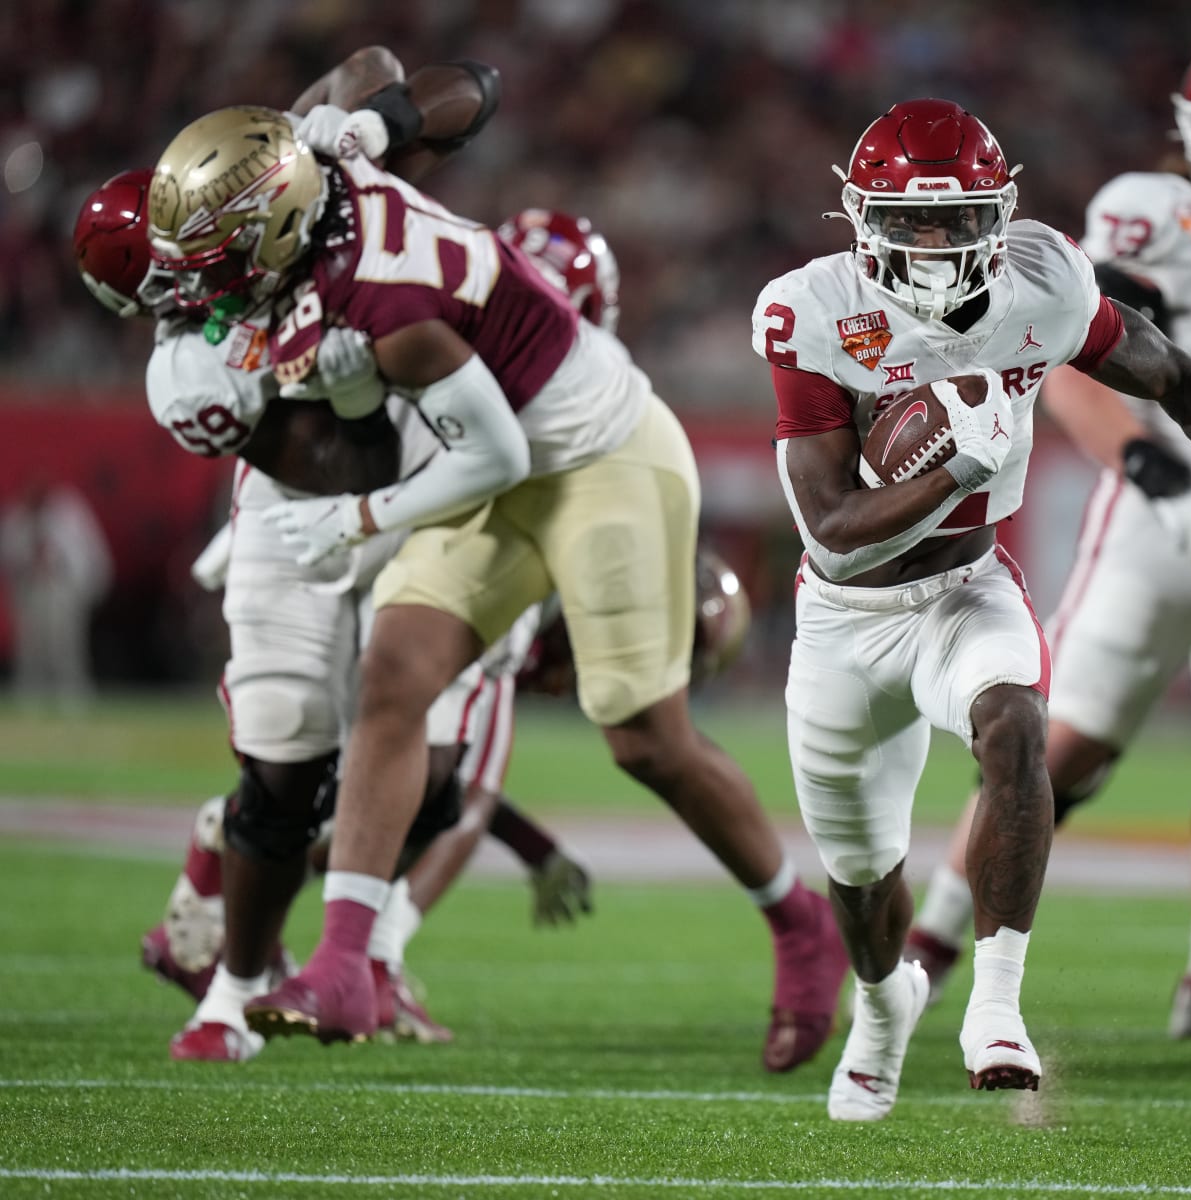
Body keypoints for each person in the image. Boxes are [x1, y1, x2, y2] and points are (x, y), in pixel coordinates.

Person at [140, 103, 846, 1072]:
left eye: (220, 251)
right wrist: (375, 121)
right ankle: (347, 962)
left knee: (646, 740)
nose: (205, 280)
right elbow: (426, 96)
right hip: (504, 465)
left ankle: (800, 920)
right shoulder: (325, 192)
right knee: (395, 677)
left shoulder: (382, 297)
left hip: (601, 459)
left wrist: (358, 520)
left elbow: (496, 451)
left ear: (279, 223)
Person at [751, 97, 1191, 1120]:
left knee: (1017, 727)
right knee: (860, 884)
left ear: (1000, 211)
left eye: (960, 217)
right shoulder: (812, 309)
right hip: (845, 619)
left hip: (969, 586)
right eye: (912, 220)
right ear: (861, 218)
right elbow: (833, 527)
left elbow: (1177, 373)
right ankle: (887, 1012)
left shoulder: (1044, 280)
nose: (936, 242)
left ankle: (998, 1007)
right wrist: (952, 464)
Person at [904, 34, 1191, 1044]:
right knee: (1064, 753)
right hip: (1170, 517)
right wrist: (1149, 471)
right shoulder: (1148, 212)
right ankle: (925, 952)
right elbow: (1072, 359)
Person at [72, 52, 513, 1062]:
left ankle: (304, 932)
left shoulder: (300, 195)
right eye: (170, 281)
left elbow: (431, 77)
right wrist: (348, 390)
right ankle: (236, 981)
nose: (191, 288)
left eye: (198, 259)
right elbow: (330, 468)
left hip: (436, 487)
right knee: (282, 767)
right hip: (303, 512)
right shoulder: (188, 366)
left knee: (434, 782)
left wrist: (360, 124)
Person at [0, 479, 111, 706]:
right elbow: (9, 556)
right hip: (31, 591)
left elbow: (85, 554)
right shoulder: (17, 516)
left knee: (65, 648)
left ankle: (72, 698)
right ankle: (29, 698)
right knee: (30, 650)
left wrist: (61, 566)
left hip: (61, 590)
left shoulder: (69, 514)